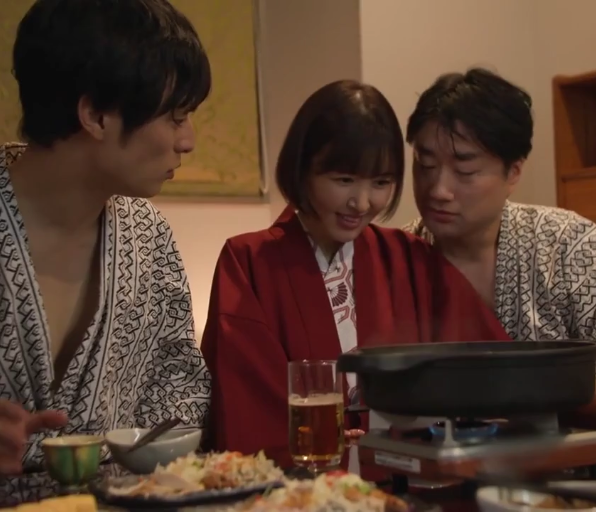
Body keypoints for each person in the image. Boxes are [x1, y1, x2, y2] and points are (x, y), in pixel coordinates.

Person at [0, 0, 210, 493]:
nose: (189, 141)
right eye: (176, 117)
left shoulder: (149, 237)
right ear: (95, 115)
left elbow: (179, 382)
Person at [201, 80, 510, 470]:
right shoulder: (248, 262)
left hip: (412, 484)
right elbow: (247, 410)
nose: (361, 203)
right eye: (344, 180)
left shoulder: (413, 259)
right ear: (303, 168)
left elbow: (490, 372)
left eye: (380, 183)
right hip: (300, 490)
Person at [402, 68, 596, 394]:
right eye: (425, 165)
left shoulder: (567, 243)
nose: (438, 189)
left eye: (464, 170)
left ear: (513, 172)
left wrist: (549, 389)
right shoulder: (398, 257)